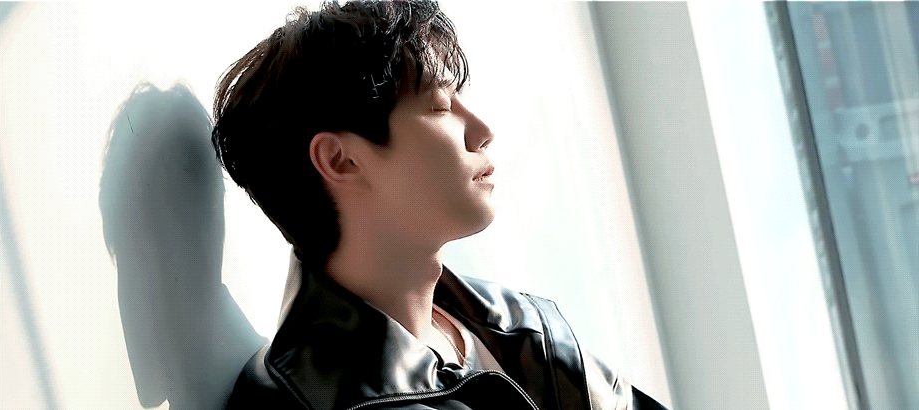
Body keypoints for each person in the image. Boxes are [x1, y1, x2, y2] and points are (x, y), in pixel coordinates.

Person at [211, 1, 669, 409]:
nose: (482, 131)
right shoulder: (301, 403)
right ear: (341, 161)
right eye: (439, 106)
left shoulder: (517, 325)